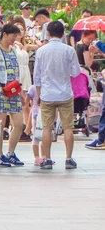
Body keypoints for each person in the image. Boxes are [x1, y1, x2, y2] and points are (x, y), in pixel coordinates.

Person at [33, 19, 81, 170]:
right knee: (68, 127)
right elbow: (76, 72)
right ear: (63, 33)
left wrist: (38, 94)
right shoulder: (69, 50)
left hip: (47, 94)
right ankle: (68, 158)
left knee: (47, 127)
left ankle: (47, 159)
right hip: (65, 93)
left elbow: (37, 76)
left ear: (48, 33)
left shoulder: (41, 51)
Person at [0, 23, 25, 167]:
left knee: (19, 124)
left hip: (13, 91)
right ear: (5, 34)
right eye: (13, 36)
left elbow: (16, 72)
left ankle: (11, 152)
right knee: (0, 125)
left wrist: (20, 91)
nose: (14, 39)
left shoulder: (13, 50)